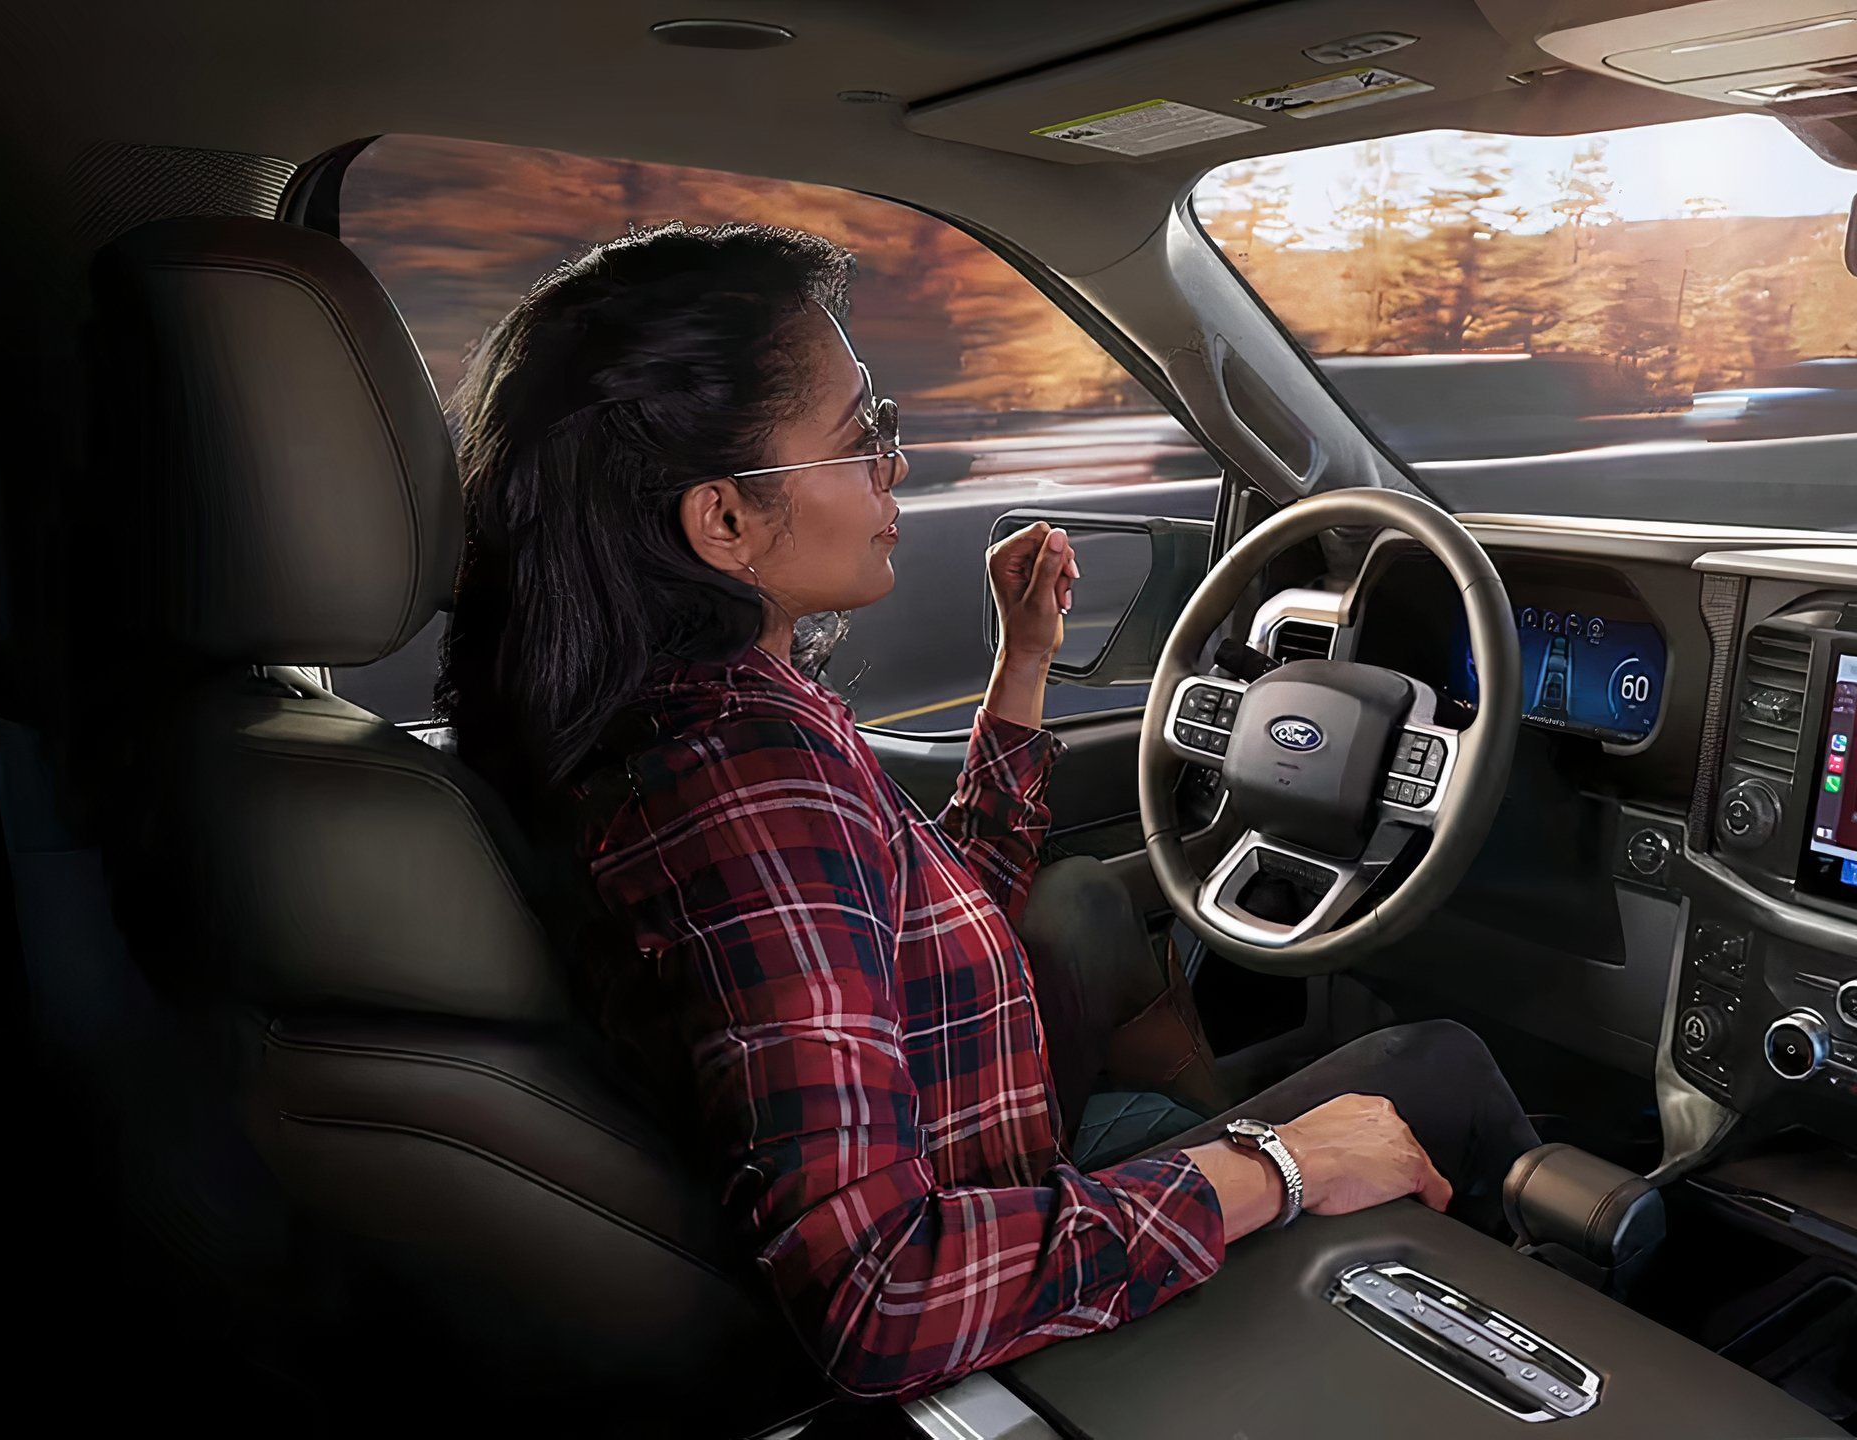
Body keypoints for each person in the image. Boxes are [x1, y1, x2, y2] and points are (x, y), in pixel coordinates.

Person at [438, 221, 1540, 1400]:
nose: (895, 468)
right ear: (722, 523)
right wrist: (1279, 1165)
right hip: (999, 1283)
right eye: (865, 438)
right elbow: (884, 1294)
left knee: (1075, 907)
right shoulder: (744, 777)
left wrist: (1024, 666)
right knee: (1437, 1066)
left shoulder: (681, 714)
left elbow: (906, 917)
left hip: (1004, 1174)